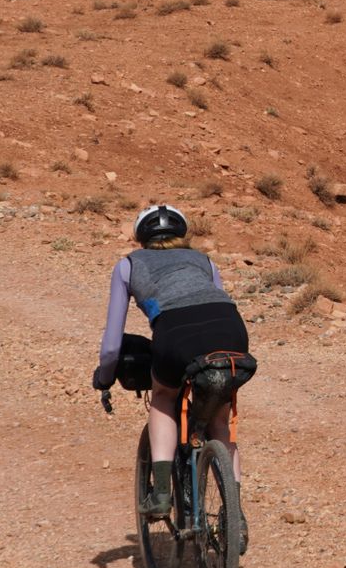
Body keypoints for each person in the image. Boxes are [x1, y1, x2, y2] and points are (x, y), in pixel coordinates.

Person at [92, 204, 250, 518]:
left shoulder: (128, 266)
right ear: (182, 233)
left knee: (163, 397)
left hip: (174, 335)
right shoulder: (204, 260)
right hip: (231, 332)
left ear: (141, 238)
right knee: (220, 421)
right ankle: (236, 517)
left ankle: (162, 493)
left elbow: (112, 345)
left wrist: (105, 377)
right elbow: (214, 300)